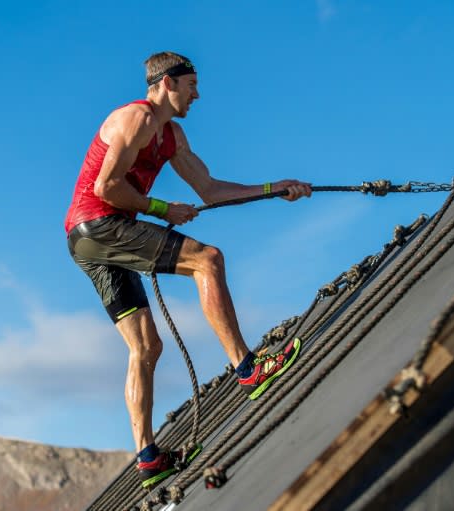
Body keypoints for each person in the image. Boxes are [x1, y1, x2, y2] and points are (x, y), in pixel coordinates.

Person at [64, 51, 312, 489]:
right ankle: (248, 369)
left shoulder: (171, 136)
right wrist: (163, 208)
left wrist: (275, 189)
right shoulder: (136, 119)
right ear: (167, 83)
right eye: (192, 85)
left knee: (146, 347)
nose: (198, 95)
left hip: (88, 238)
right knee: (207, 259)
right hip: (100, 223)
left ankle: (147, 458)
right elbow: (106, 187)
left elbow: (211, 190)